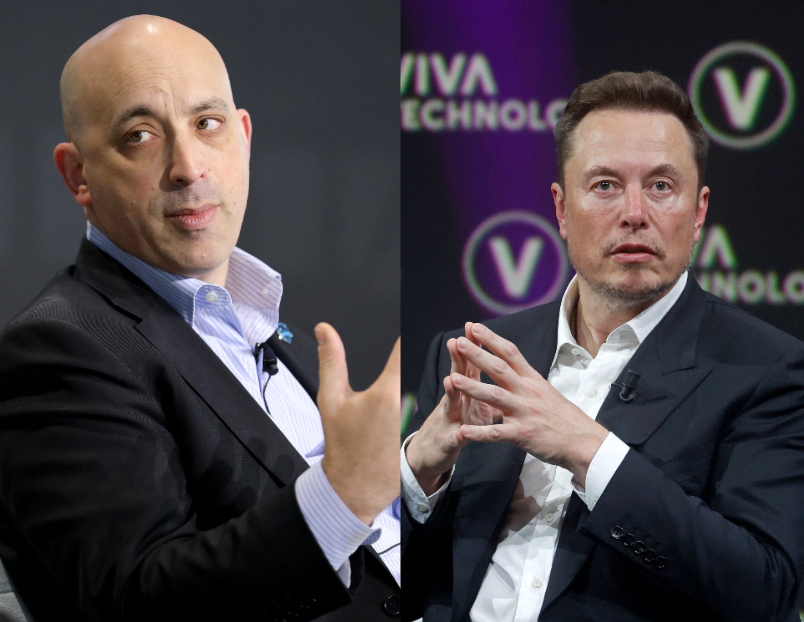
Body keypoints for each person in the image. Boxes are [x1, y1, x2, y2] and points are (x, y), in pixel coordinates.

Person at [0, 15, 400, 622]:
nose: (188, 166)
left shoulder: (243, 310)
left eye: (206, 124)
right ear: (78, 175)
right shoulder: (58, 347)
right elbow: (138, 601)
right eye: (140, 135)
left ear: (241, 136)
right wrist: (346, 494)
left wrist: (412, 469)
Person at [402, 71, 804, 622]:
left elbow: (765, 590)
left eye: (661, 186)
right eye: (605, 186)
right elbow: (386, 575)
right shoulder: (474, 356)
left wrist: (588, 449)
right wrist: (419, 470)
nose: (634, 212)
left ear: (700, 210)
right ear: (562, 209)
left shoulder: (766, 370)